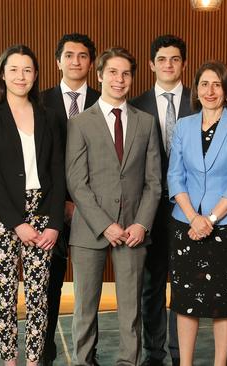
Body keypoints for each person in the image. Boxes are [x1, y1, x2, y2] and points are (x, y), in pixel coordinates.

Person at [66, 47, 161, 366]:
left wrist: (141, 223)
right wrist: (105, 224)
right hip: (91, 230)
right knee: (85, 308)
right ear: (100, 75)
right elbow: (76, 182)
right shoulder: (81, 123)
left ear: (133, 78)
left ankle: (128, 361)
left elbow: (154, 182)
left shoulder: (146, 123)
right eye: (113, 72)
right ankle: (84, 360)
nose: (119, 79)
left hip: (134, 229)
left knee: (131, 309)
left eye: (126, 73)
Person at [0, 44, 65, 365]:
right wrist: (18, 223)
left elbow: (57, 172)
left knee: (39, 296)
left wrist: (54, 223)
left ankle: (33, 361)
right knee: (5, 294)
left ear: (36, 75)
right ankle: (10, 361)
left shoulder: (49, 117)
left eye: (27, 70)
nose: (20, 76)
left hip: (42, 214)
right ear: (2, 74)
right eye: (13, 69)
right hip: (2, 216)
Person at [167, 60, 227, 366]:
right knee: (185, 301)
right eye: (204, 84)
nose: (210, 90)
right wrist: (194, 217)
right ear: (196, 89)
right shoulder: (183, 126)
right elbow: (175, 177)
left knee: (224, 302)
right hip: (186, 224)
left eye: (217, 84)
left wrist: (211, 219)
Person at [129, 34, 192, 366]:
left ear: (184, 64)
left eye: (175, 59)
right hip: (148, 208)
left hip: (190, 208)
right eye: (162, 59)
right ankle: (153, 354)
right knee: (151, 285)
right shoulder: (136, 105)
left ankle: (182, 353)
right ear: (152, 64)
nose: (169, 65)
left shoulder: (200, 102)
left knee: (183, 284)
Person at [39, 32, 101, 366]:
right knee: (48, 288)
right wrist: (59, 201)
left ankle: (87, 356)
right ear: (58, 60)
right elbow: (39, 159)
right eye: (68, 55)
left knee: (89, 291)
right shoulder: (39, 101)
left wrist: (84, 203)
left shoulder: (107, 99)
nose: (75, 61)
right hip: (51, 210)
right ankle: (45, 353)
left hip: (94, 211)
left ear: (92, 62)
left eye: (82, 56)